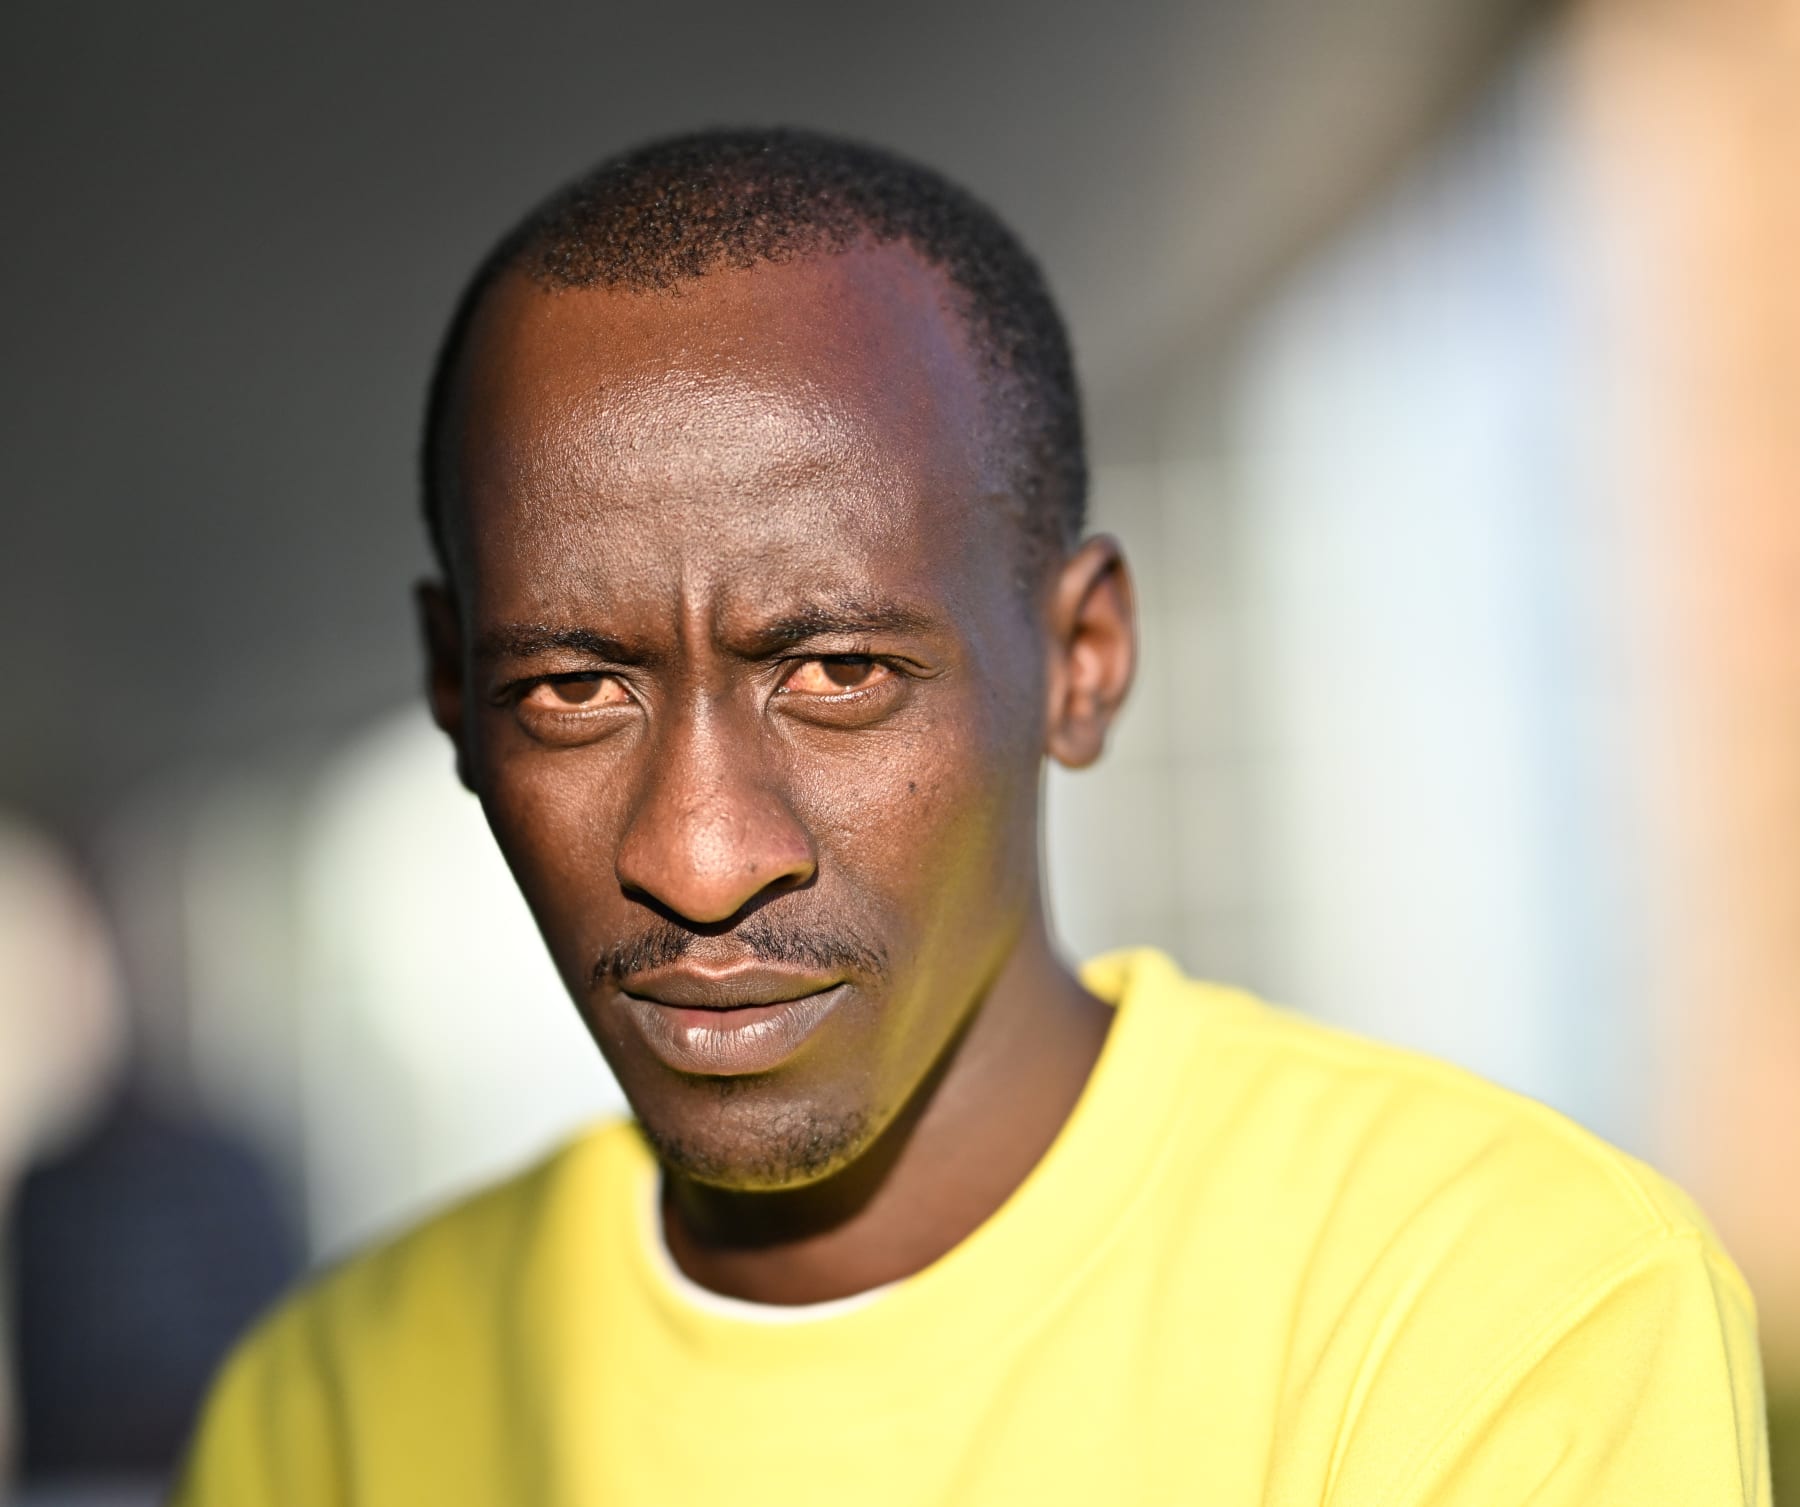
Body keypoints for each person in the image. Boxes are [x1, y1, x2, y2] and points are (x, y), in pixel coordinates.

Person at [174, 128, 1770, 1505]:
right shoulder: (328, 1413)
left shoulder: (1490, 1304)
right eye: (573, 691)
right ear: (452, 692)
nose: (701, 858)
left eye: (838, 673)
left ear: (1082, 661)